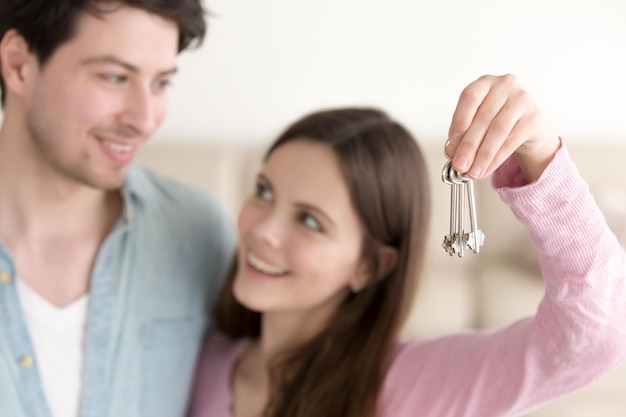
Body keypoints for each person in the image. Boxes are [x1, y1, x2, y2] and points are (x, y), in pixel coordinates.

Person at [188, 74, 626, 417]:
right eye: (263, 191)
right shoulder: (197, 361)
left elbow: (595, 337)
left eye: (309, 220)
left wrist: (542, 157)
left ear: (372, 266)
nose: (262, 230)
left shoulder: (412, 383)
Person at [0, 2, 235, 417]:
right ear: (19, 64)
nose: (144, 120)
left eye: (161, 83)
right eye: (114, 77)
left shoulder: (197, 231)